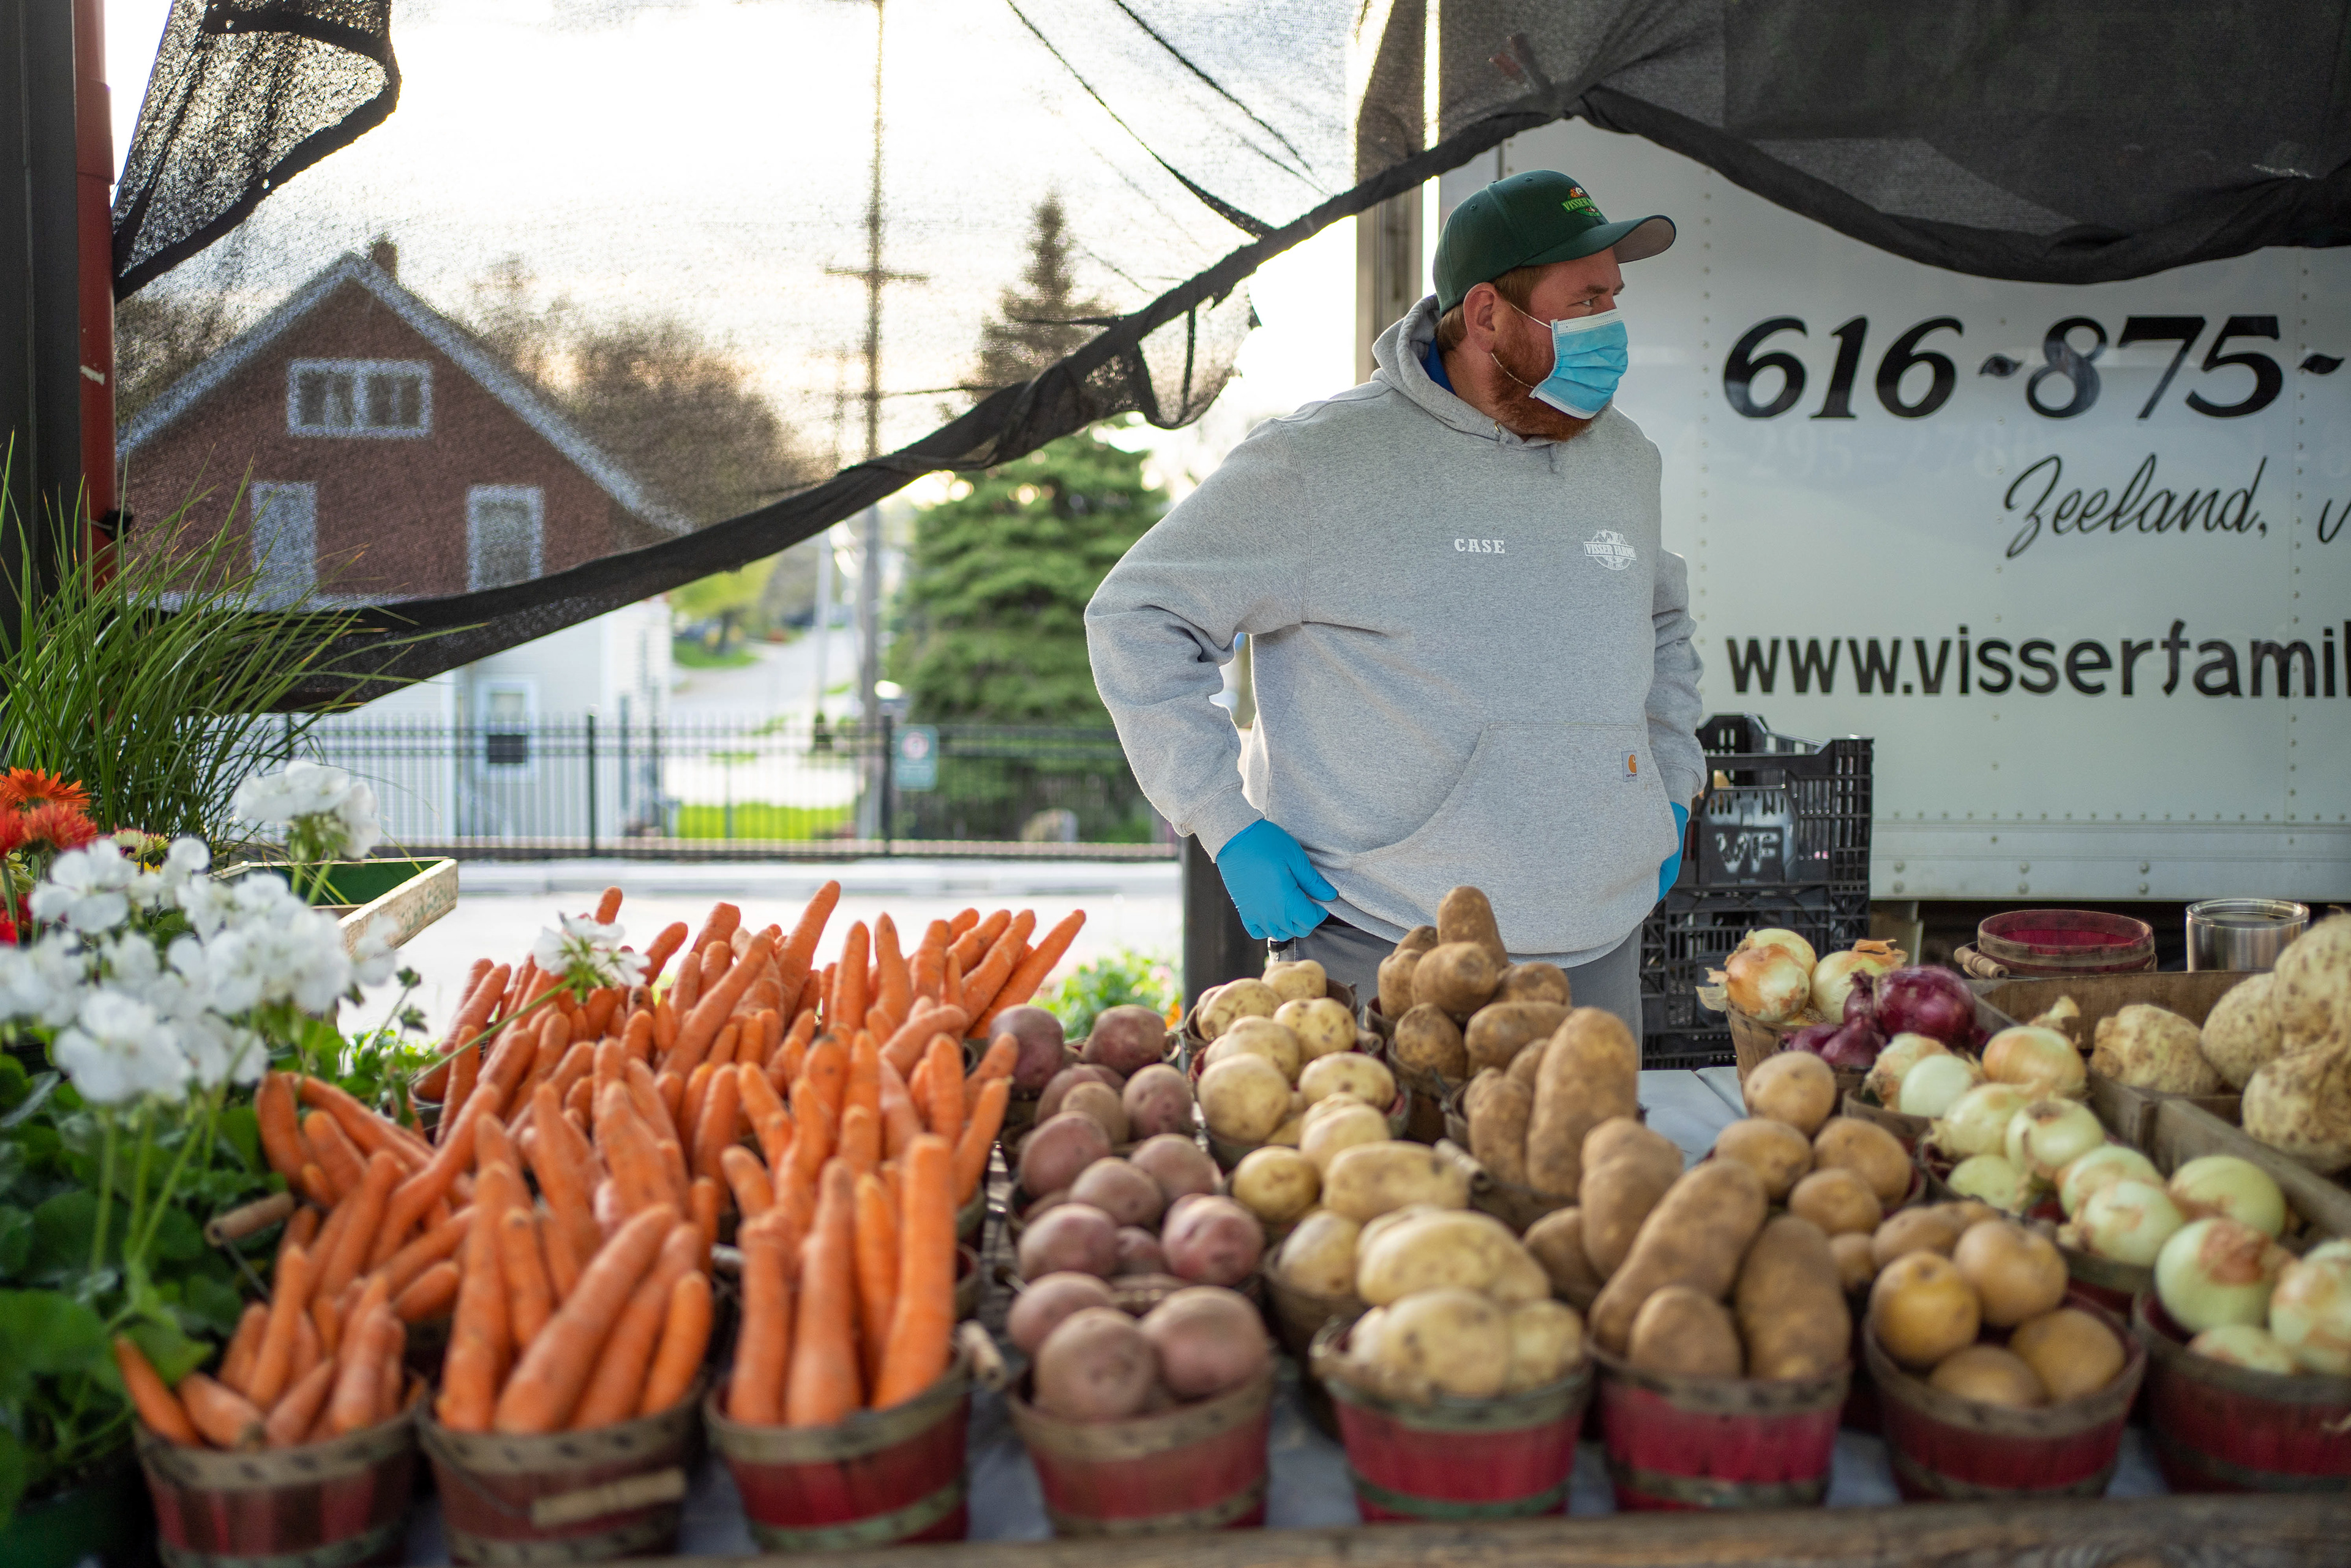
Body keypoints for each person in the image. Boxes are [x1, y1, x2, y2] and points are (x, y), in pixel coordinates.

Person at [1085, 170, 1705, 1033]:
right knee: (1378, 1168)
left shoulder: (1626, 458)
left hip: (1599, 946)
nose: (1612, 326)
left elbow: (1663, 623)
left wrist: (1672, 785)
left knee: (1584, 1171)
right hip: (1376, 943)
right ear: (1487, 313)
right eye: (1587, 299)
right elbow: (1139, 617)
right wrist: (1225, 822)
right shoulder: (1320, 461)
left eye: (1615, 298)